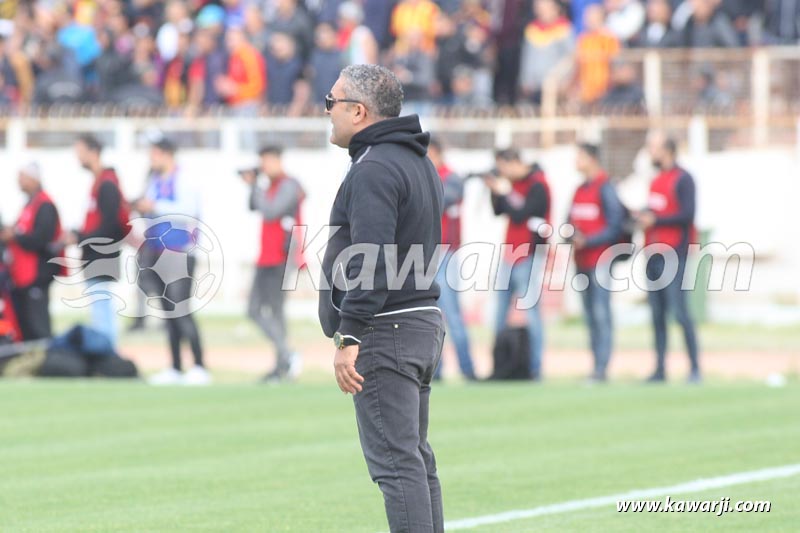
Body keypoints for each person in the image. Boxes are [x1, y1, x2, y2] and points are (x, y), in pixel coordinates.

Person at [318, 64, 445, 533]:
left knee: (396, 465)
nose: (327, 112)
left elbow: (371, 258)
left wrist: (349, 333)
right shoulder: (414, 160)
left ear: (358, 110)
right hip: (418, 322)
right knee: (414, 461)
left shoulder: (374, 167)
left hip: (385, 329)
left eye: (332, 102)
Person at [133, 134, 209, 386]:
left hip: (179, 251)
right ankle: (175, 366)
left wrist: (154, 205)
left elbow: (187, 210)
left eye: (154, 154)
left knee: (181, 309)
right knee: (167, 311)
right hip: (157, 251)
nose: (151, 160)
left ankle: (199, 366)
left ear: (166, 154)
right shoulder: (153, 180)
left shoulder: (184, 179)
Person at [635, 132, 701, 384]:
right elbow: (655, 210)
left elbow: (687, 214)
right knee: (656, 313)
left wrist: (656, 220)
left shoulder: (683, 179)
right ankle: (660, 368)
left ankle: (694, 368)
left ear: (668, 150)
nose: (650, 152)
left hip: (674, 252)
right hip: (652, 252)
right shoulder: (655, 180)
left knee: (680, 311)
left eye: (654, 147)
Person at [485, 148, 551, 381]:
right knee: (499, 312)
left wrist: (505, 192)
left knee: (531, 312)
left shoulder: (538, 184)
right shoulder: (512, 186)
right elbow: (498, 210)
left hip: (529, 256)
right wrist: (495, 192)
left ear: (513, 162)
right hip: (509, 255)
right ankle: (498, 366)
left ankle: (535, 368)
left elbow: (522, 212)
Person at [242, 145, 304, 383]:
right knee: (255, 310)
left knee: (274, 311)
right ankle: (285, 358)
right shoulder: (270, 186)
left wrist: (256, 186)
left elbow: (270, 211)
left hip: (281, 256)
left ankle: (284, 360)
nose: (264, 166)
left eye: (266, 161)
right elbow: (253, 206)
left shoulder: (289, 185)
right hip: (266, 256)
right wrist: (254, 185)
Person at [567, 143, 624, 382]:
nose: (576, 161)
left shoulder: (605, 187)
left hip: (599, 260)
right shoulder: (579, 189)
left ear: (591, 159)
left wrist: (587, 240)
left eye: (579, 156)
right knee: (590, 315)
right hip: (581, 262)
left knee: (601, 314)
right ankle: (595, 365)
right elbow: (569, 220)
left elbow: (615, 225)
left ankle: (602, 367)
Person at [67, 134, 130, 348]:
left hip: (102, 255)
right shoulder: (100, 183)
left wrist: (80, 237)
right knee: (100, 307)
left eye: (81, 152)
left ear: (93, 152)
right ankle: (106, 351)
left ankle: (108, 354)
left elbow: (109, 226)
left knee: (102, 308)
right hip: (97, 254)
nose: (78, 157)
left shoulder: (107, 184)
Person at [427, 138, 476, 381]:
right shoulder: (431, 178)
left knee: (452, 314)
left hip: (445, 252)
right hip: (428, 254)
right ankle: (436, 370)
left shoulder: (451, 178)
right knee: (432, 315)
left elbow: (442, 200)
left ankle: (468, 369)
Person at [0, 163, 62, 341]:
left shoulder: (44, 205)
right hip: (23, 274)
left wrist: (15, 236)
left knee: (38, 323)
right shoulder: (30, 203)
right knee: (26, 323)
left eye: (22, 177)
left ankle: (45, 358)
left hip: (38, 273)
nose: (19, 181)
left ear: (34, 179)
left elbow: (41, 239)